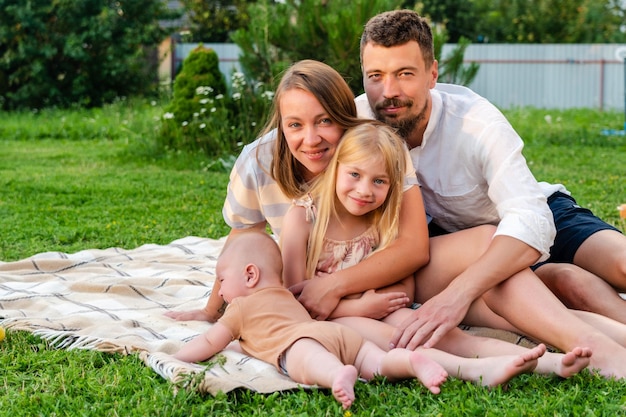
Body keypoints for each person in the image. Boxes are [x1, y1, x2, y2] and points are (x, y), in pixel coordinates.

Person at [291, 9, 626, 379]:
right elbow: (283, 139)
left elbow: (530, 219)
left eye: (404, 74)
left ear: (433, 73)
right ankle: (604, 348)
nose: (389, 92)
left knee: (620, 263)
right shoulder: (356, 124)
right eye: (376, 76)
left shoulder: (476, 122)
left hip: (538, 217)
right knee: (567, 282)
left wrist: (457, 295)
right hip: (463, 245)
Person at [280, 121, 592, 381]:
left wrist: (383, 303)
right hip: (333, 319)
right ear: (335, 168)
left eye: (378, 181)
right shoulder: (305, 215)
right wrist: (358, 308)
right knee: (397, 342)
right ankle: (475, 370)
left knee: (439, 334)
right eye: (354, 175)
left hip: (380, 307)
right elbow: (294, 301)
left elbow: (404, 282)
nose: (364, 190)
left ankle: (545, 362)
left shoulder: (379, 219)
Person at [166, 58, 437, 323]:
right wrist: (212, 310)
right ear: (282, 125)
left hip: (372, 276)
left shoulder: (376, 149)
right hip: (311, 284)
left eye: (324, 121)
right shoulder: (258, 162)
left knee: (476, 249)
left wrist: (337, 287)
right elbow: (242, 239)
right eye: (295, 124)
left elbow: (412, 247)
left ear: (345, 118)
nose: (311, 140)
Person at [172, 231, 552, 410]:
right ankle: (456, 367)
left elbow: (210, 342)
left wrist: (176, 353)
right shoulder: (290, 297)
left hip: (308, 343)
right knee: (382, 361)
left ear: (250, 275)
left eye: (222, 279)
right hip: (337, 334)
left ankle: (336, 375)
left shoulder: (239, 309)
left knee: (303, 359)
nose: (219, 290)